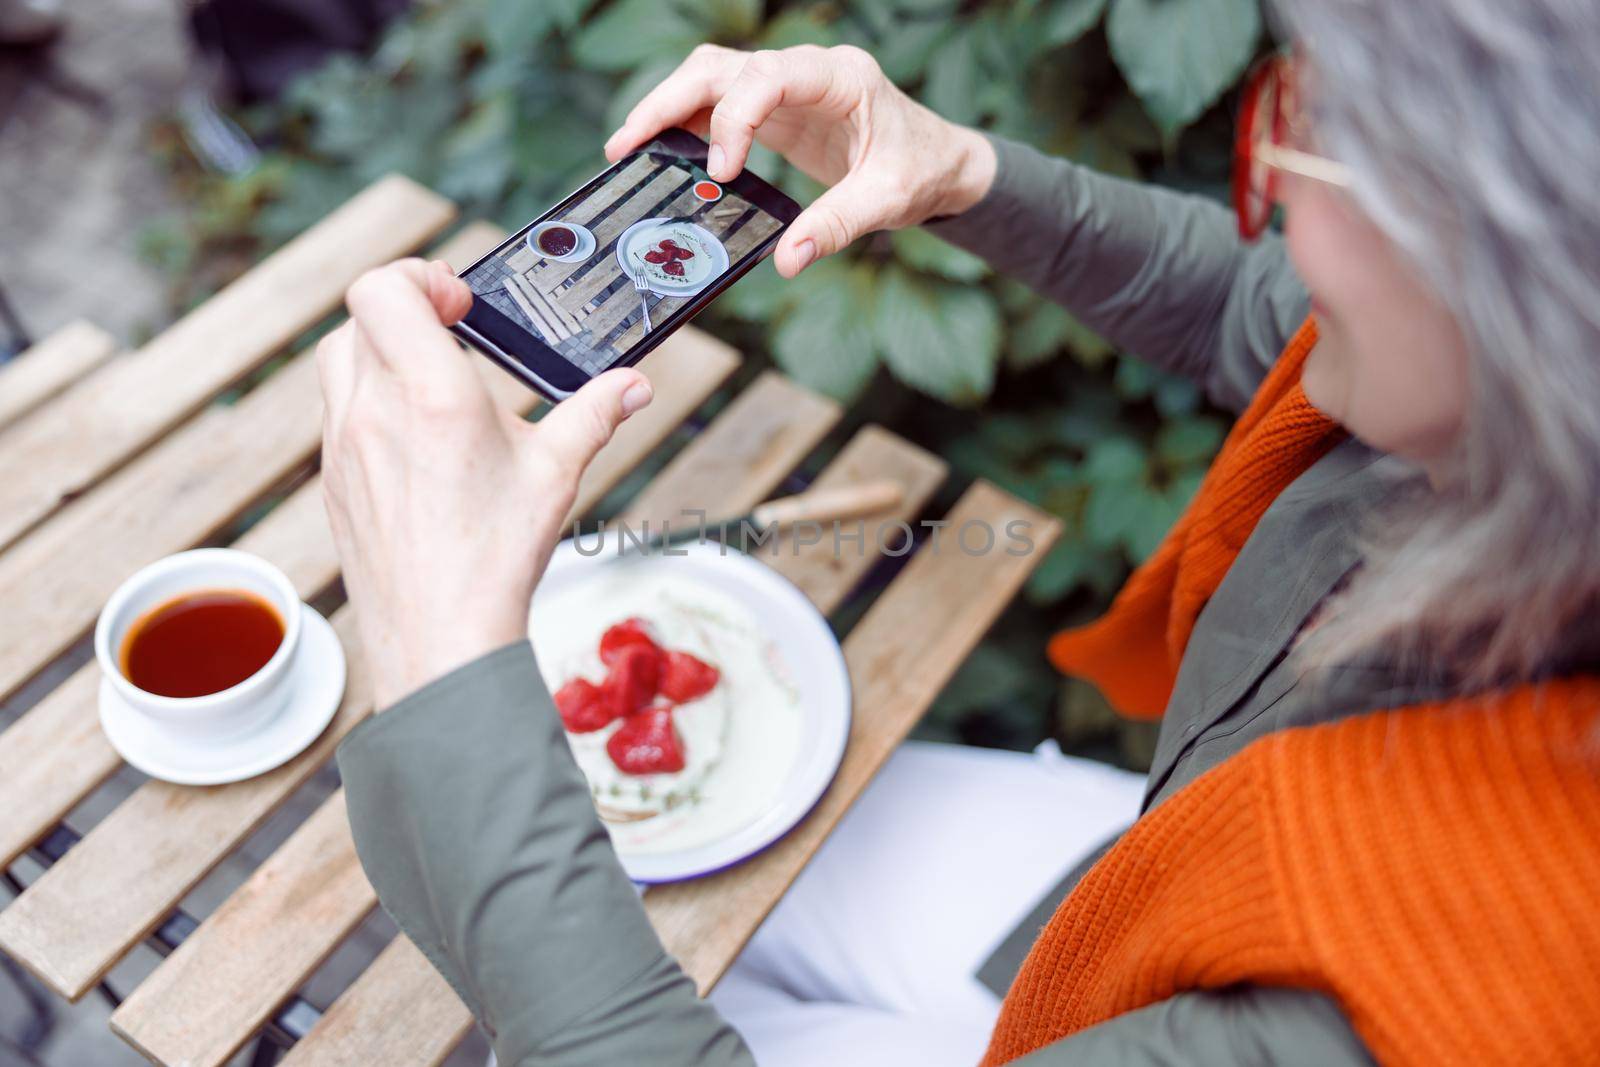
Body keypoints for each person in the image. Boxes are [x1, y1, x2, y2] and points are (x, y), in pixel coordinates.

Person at [315, 2, 1600, 1063]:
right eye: (1290, 101)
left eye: (1320, 141)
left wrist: (440, 656)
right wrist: (960, 170)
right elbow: (1263, 306)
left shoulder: (1440, 999)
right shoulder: (1500, 409)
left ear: (1517, 278)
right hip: (1172, 872)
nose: (1273, 215)